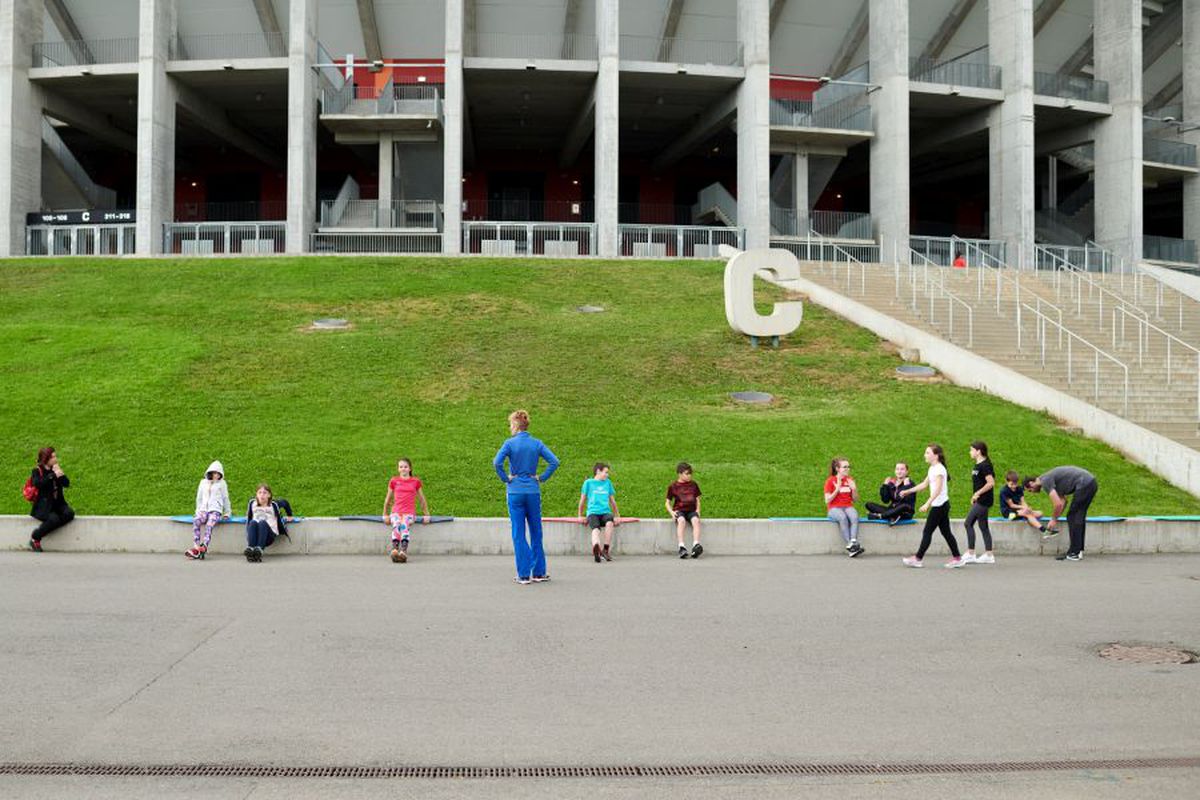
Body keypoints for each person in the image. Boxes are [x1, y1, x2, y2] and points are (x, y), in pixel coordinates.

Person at [494, 410, 559, 584]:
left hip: (515, 492)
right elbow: (555, 462)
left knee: (518, 533)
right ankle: (539, 572)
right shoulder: (536, 443)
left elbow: (497, 462)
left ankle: (524, 574)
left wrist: (506, 478)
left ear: (515, 424)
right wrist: (541, 477)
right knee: (536, 531)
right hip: (533, 491)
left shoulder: (509, 443)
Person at [899, 444, 963, 569]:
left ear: (936, 455)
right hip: (941, 504)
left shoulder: (939, 469)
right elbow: (924, 484)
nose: (925, 455)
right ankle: (957, 558)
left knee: (927, 531)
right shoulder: (932, 468)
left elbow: (938, 489)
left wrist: (927, 503)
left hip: (940, 505)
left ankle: (918, 558)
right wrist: (908, 491)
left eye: (927, 453)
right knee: (946, 533)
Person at [1023, 466, 1098, 562]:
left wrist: (1053, 519)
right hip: (1090, 482)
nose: (1032, 492)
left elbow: (1058, 504)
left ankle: (1074, 552)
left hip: (1084, 483)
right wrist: (1055, 518)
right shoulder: (1051, 480)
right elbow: (1063, 501)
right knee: (1078, 516)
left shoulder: (1045, 481)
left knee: (1073, 516)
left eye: (1030, 490)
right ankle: (1077, 551)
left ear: (1031, 483)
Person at [382, 458, 430, 563]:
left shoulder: (415, 481)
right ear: (398, 469)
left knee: (404, 525)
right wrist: (385, 514)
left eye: (405, 467)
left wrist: (426, 514)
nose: (403, 469)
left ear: (410, 468)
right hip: (396, 511)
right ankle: (395, 550)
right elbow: (388, 498)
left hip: (409, 513)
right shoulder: (394, 481)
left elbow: (422, 499)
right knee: (396, 524)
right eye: (401, 467)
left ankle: (403, 551)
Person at [28, 447, 74, 551]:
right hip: (44, 506)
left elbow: (66, 484)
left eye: (55, 456)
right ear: (46, 459)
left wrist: (60, 473)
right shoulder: (37, 470)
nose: (55, 459)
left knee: (69, 513)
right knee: (54, 519)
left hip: (58, 504)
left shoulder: (56, 468)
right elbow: (38, 483)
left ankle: (51, 525)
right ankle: (35, 537)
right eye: (53, 457)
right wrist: (53, 475)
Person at [188, 460, 230, 560]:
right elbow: (199, 498)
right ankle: (196, 546)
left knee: (209, 525)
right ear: (210, 473)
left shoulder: (222, 484)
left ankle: (204, 546)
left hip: (215, 510)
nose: (216, 475)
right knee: (196, 521)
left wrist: (227, 512)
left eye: (218, 473)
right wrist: (197, 511)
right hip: (203, 510)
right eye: (214, 473)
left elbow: (225, 498)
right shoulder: (203, 482)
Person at [578, 462, 620, 563]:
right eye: (605, 472)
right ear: (598, 471)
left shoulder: (607, 483)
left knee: (610, 522)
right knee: (595, 529)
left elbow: (612, 501)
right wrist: (580, 515)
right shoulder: (588, 483)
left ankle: (605, 550)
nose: (607, 474)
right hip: (592, 512)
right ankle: (596, 548)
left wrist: (617, 516)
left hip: (605, 512)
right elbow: (582, 500)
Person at [962, 441, 996, 564]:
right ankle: (989, 555)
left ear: (978, 451)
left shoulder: (985, 465)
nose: (969, 452)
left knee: (968, 523)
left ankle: (971, 553)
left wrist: (978, 493)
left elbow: (991, 483)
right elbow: (979, 483)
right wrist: (974, 496)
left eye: (971, 450)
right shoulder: (978, 464)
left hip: (984, 500)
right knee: (983, 526)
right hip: (980, 499)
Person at [824, 457, 863, 557]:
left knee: (854, 516)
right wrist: (837, 489)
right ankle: (850, 544)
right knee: (843, 517)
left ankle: (853, 542)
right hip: (834, 508)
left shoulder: (850, 480)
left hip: (847, 506)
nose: (847, 469)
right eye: (844, 467)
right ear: (837, 468)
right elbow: (827, 500)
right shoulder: (830, 481)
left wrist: (854, 489)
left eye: (848, 467)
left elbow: (855, 499)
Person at [665, 462, 703, 559]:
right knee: (681, 521)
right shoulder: (673, 486)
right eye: (687, 473)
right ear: (680, 474)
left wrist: (698, 510)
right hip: (679, 510)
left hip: (691, 510)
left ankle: (696, 545)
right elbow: (667, 503)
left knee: (696, 520)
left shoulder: (693, 484)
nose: (689, 475)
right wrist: (672, 513)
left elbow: (698, 499)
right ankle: (681, 547)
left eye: (690, 473)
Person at [244, 483, 290, 562]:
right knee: (253, 522)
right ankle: (251, 550)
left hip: (269, 535)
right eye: (260, 492)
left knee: (262, 522)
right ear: (256, 495)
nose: (262, 495)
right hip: (255, 534)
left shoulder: (274, 504)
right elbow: (249, 517)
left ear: (269, 495)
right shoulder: (252, 503)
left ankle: (259, 550)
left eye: (265, 493)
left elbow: (285, 503)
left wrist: (290, 515)